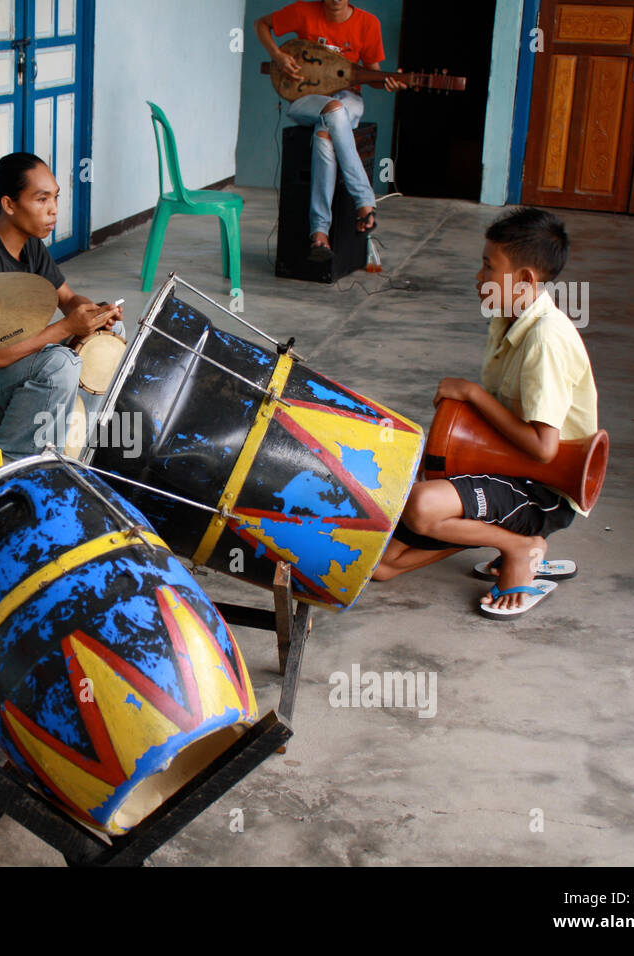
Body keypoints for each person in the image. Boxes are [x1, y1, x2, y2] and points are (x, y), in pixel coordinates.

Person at [372, 208, 599, 619]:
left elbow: (544, 449)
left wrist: (473, 394)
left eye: (488, 266)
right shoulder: (508, 315)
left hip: (541, 491)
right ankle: (505, 536)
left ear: (526, 279)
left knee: (422, 505)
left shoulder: (546, 338)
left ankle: (520, 546)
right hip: (504, 472)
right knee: (381, 566)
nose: (479, 277)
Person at [0, 152, 123, 459]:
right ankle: (13, 461)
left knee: (109, 333)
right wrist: (67, 327)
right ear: (9, 205)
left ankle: (75, 443)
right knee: (60, 364)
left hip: (18, 366)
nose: (53, 210)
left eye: (55, 197)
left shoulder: (30, 244)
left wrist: (93, 313)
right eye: (41, 200)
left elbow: (66, 298)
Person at [255, 0, 405, 260]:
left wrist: (388, 83)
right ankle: (365, 202)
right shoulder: (303, 11)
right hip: (307, 99)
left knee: (325, 137)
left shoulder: (368, 24)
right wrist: (278, 56)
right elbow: (261, 24)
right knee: (334, 111)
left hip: (350, 99)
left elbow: (374, 74)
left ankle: (319, 233)